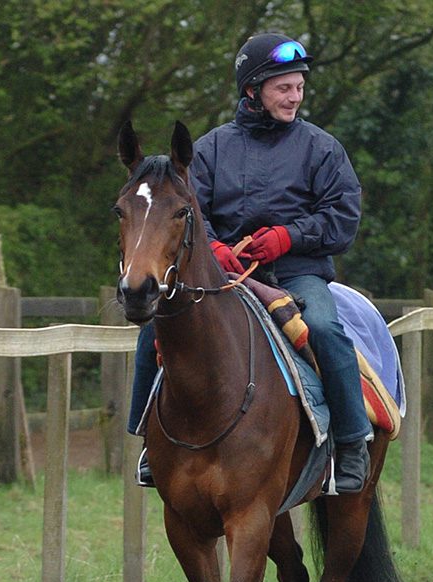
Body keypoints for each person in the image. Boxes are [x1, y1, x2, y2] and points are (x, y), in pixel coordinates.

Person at [128, 32, 371, 493]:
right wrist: (215, 248)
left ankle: (352, 441)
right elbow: (184, 213)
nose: (294, 97)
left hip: (300, 273)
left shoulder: (323, 148)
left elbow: (343, 218)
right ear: (253, 91)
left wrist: (288, 237)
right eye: (284, 87)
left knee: (324, 328)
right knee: (152, 331)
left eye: (299, 87)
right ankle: (147, 441)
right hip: (222, 278)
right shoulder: (211, 149)